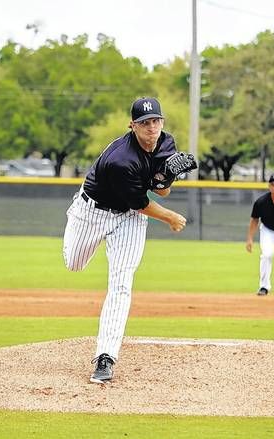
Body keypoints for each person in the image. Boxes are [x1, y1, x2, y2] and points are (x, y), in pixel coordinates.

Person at [62, 97, 187, 384]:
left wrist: (165, 178)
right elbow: (143, 202)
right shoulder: (120, 159)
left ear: (162, 122)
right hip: (93, 211)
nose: (152, 127)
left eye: (156, 120)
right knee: (74, 264)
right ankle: (73, 213)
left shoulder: (167, 144)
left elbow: (160, 192)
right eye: (144, 123)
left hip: (129, 218)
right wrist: (170, 217)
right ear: (133, 126)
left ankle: (105, 357)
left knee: (121, 284)